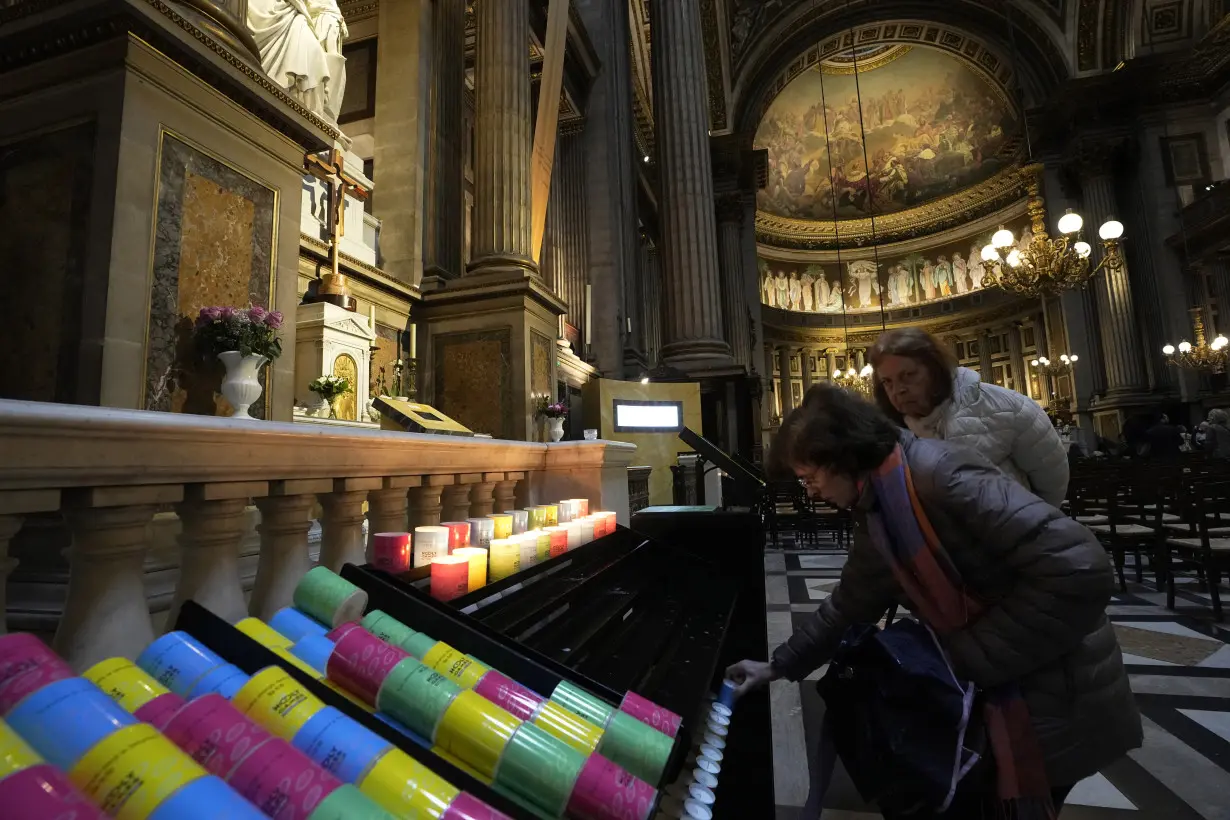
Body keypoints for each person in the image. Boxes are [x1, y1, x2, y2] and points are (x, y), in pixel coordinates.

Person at [727, 384, 1141, 819]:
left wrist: (964, 657)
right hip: (1011, 685)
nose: (809, 492)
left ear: (844, 458)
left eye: (810, 477)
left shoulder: (941, 476)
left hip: (1057, 685)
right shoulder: (883, 498)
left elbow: (1081, 568)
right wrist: (780, 665)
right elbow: (852, 600)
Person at [867, 328, 1069, 506]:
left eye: (909, 375)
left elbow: (1053, 480)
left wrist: (1026, 529)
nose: (898, 390)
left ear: (936, 369)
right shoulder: (885, 432)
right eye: (887, 382)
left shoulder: (1007, 406)